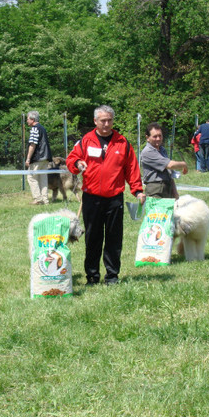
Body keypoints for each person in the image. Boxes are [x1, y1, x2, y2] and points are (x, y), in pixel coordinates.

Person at [66, 105, 146, 285]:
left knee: (113, 238)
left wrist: (138, 190)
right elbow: (71, 159)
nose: (106, 124)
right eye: (103, 120)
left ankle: (112, 276)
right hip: (91, 198)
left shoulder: (122, 142)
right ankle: (92, 276)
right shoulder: (85, 141)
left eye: (109, 120)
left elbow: (131, 169)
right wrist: (78, 163)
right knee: (92, 238)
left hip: (114, 198)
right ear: (95, 121)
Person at [139, 122, 188, 199]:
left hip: (167, 187)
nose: (158, 139)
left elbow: (169, 173)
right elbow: (170, 165)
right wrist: (184, 164)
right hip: (155, 191)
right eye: (155, 136)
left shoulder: (162, 150)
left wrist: (175, 193)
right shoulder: (147, 152)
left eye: (160, 136)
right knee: (157, 211)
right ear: (147, 138)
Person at [24, 110, 52, 205]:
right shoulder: (42, 128)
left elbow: (33, 144)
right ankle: (45, 200)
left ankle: (38, 199)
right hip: (46, 157)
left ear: (32, 119)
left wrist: (28, 158)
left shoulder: (35, 129)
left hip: (38, 158)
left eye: (27, 119)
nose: (27, 121)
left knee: (31, 177)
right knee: (43, 178)